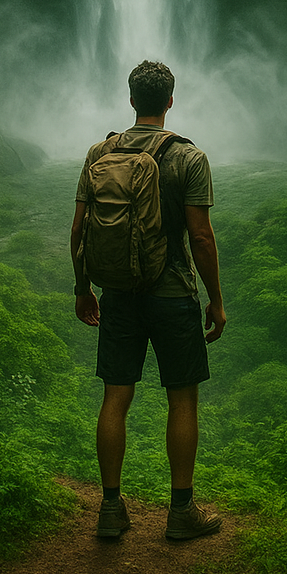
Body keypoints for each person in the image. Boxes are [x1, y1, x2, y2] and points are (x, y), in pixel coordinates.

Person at [70, 59, 227, 541]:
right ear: (171, 101)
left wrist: (83, 288)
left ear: (132, 99)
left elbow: (78, 230)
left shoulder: (101, 152)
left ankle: (110, 509)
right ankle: (181, 513)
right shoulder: (188, 157)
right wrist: (216, 300)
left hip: (118, 294)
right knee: (182, 398)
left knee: (115, 396)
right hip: (173, 292)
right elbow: (201, 237)